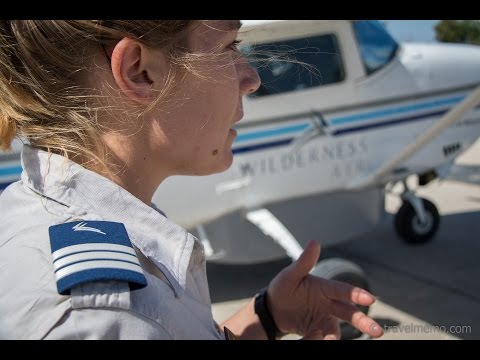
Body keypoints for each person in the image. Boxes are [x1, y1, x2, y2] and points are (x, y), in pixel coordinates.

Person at [0, 20, 384, 340]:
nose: (251, 78)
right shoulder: (103, 318)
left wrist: (266, 316)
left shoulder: (31, 213)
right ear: (140, 71)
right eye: (228, 46)